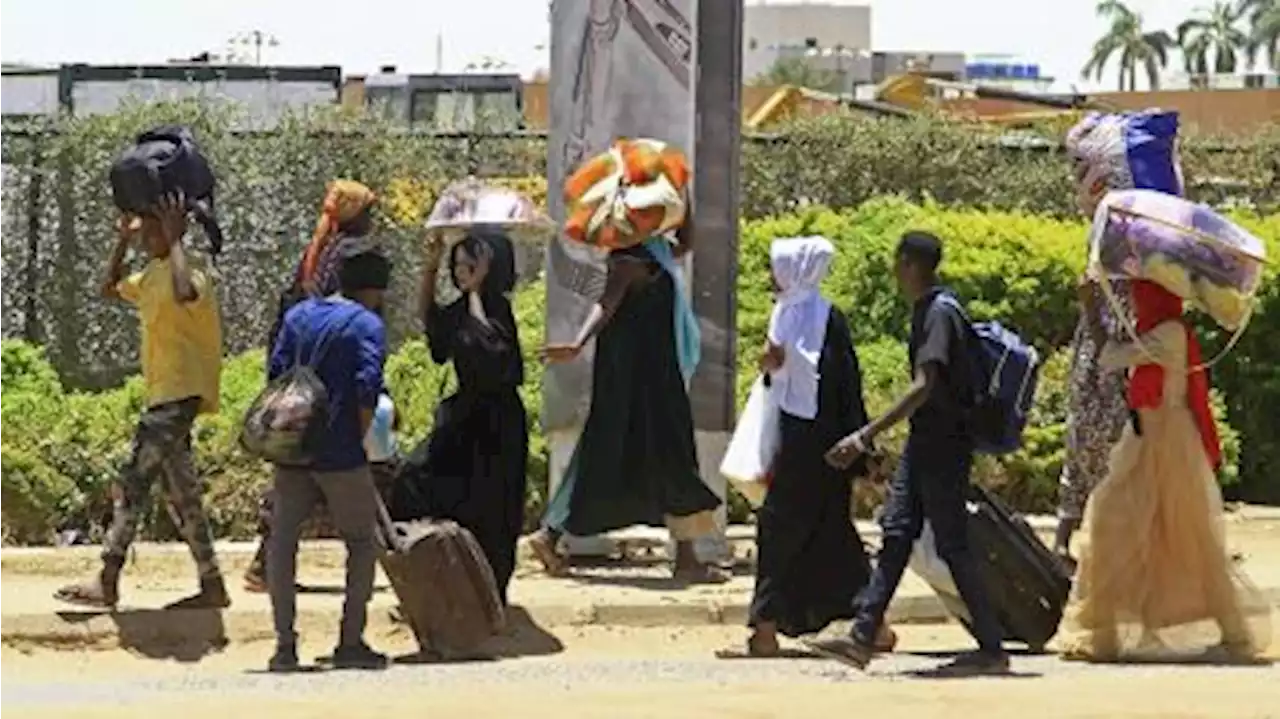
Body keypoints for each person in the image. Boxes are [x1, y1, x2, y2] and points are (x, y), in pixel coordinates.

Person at [808, 231, 1009, 675]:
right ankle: (862, 636)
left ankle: (993, 648)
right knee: (897, 533)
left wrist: (864, 436)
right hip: (928, 443)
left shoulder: (938, 314)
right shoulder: (935, 309)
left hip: (942, 445)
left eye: (898, 262)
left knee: (952, 544)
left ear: (910, 265)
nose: (895, 271)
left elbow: (925, 385)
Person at [1059, 280, 1271, 662]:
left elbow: (1111, 356)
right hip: (1143, 437)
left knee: (1191, 535)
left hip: (1168, 440)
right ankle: (1103, 636)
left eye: (1143, 296)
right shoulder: (1153, 330)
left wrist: (1092, 309)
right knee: (1113, 523)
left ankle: (1234, 634)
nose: (1137, 303)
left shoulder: (1170, 332)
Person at [717, 237, 895, 658]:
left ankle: (765, 627)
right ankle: (874, 624)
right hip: (797, 441)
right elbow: (782, 380)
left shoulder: (827, 319)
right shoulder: (786, 315)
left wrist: (859, 447)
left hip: (821, 447)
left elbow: (843, 387)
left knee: (781, 530)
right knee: (831, 534)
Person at [55, 193, 227, 610]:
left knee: (133, 483)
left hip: (179, 395)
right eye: (146, 232)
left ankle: (108, 577)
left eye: (153, 231)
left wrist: (175, 239)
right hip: (162, 395)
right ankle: (212, 583)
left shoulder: (194, 269)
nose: (147, 239)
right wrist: (121, 241)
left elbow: (186, 292)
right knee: (183, 493)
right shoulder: (150, 275)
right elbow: (109, 287)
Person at [526, 230, 728, 583]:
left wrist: (682, 193)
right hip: (630, 378)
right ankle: (551, 534)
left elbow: (688, 240)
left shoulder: (657, 251)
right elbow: (607, 301)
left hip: (655, 376)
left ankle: (686, 557)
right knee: (617, 452)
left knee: (668, 455)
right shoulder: (629, 256)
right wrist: (576, 343)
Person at [1053, 112, 1183, 563]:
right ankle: (1072, 541)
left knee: (1096, 444)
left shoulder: (1123, 241)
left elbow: (1108, 338)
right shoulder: (1125, 238)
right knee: (1093, 445)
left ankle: (1076, 544)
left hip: (1112, 356)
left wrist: (1089, 305)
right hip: (1112, 356)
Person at [245, 179, 379, 592]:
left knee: (295, 467)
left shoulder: (320, 250)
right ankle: (269, 564)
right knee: (324, 467)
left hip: (298, 371)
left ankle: (267, 564)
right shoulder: (350, 254)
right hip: (329, 373)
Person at [264, 241, 392, 672]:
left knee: (283, 543)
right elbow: (366, 387)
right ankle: (349, 641)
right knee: (361, 542)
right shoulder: (367, 324)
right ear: (375, 290)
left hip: (293, 449)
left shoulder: (299, 314)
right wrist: (354, 438)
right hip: (340, 453)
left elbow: (275, 372)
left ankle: (284, 645)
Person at [390, 230, 529, 605]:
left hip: (499, 423)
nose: (462, 271)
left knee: (494, 509)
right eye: (459, 264)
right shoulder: (460, 308)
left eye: (471, 264)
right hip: (463, 418)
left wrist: (477, 293)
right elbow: (433, 325)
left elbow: (495, 352)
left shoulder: (497, 308)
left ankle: (492, 595)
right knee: (415, 481)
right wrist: (430, 269)